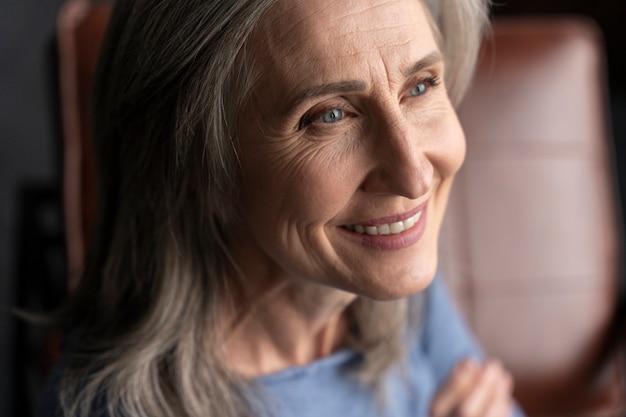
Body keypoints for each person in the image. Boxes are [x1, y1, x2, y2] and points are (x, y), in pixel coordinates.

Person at [38, 0, 526, 416]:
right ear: (198, 168)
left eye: (420, 85)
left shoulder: (390, 272)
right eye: (329, 116)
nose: (414, 176)